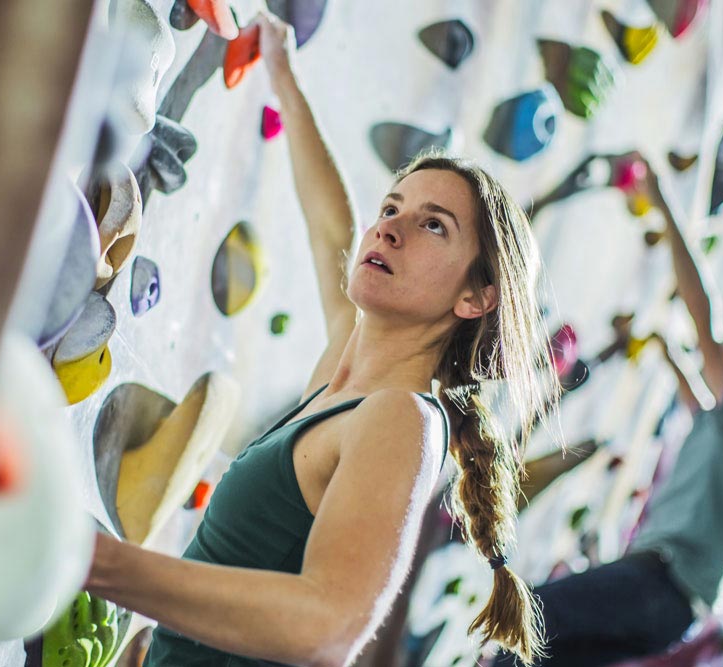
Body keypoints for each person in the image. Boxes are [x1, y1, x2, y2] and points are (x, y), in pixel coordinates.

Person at [84, 11, 560, 667]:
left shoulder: (400, 420)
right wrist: (283, 72)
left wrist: (101, 563)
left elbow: (327, 626)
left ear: (475, 297)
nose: (389, 228)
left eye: (434, 226)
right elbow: (336, 229)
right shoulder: (348, 372)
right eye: (392, 207)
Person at [495, 155, 723, 667]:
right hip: (668, 614)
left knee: (531, 615)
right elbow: (698, 401)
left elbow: (703, 312)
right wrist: (667, 352)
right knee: (536, 654)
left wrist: (665, 204)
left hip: (661, 587)